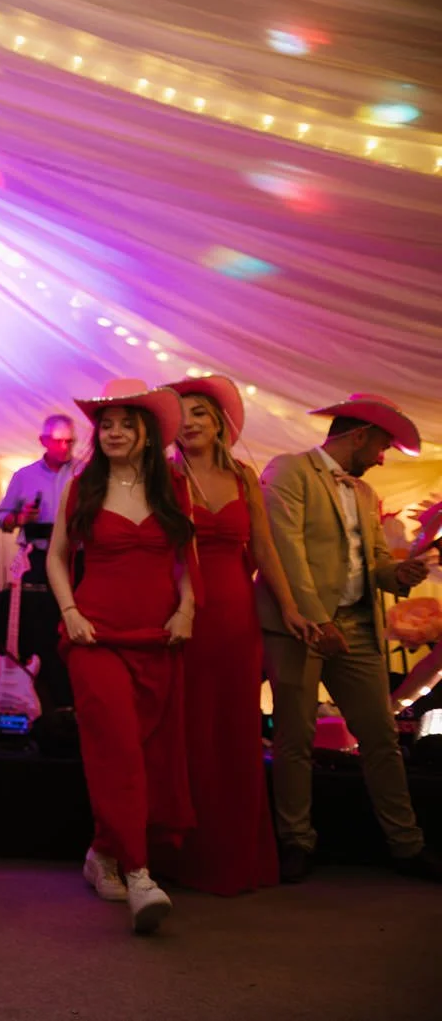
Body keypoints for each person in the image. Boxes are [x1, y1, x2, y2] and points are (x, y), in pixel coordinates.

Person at [257, 393, 442, 883]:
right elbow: (284, 551)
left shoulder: (363, 493)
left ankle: (406, 845)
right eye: (381, 446)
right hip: (300, 625)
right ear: (358, 435)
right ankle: (296, 841)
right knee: (295, 737)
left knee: (381, 735)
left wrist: (400, 573)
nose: (382, 458)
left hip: (357, 628)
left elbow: (377, 563)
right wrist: (319, 622)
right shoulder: (289, 470)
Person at [46, 379, 194, 934]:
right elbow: (57, 558)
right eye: (105, 425)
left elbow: (186, 559)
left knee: (147, 754)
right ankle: (138, 873)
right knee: (119, 751)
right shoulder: (81, 487)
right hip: (95, 637)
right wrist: (69, 612)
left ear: (147, 435)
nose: (112, 432)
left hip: (158, 638)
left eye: (125, 424)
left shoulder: (172, 487)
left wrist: (187, 609)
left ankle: (102, 852)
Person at [163, 376, 312, 895]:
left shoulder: (245, 475)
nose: (190, 423)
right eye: (181, 414)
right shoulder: (161, 477)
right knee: (186, 729)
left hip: (234, 617)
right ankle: (181, 855)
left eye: (200, 413)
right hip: (180, 612)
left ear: (219, 423)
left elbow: (266, 551)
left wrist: (290, 608)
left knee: (232, 730)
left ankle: (232, 854)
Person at [0, 414, 80, 710]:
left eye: (70, 441)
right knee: (38, 627)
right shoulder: (25, 476)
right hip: (38, 559)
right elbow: (1, 519)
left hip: (76, 558)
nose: (65, 446)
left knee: (72, 624)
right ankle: (39, 696)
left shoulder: (84, 472)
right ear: (44, 441)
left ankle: (72, 695)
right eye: (58, 441)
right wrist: (20, 518)